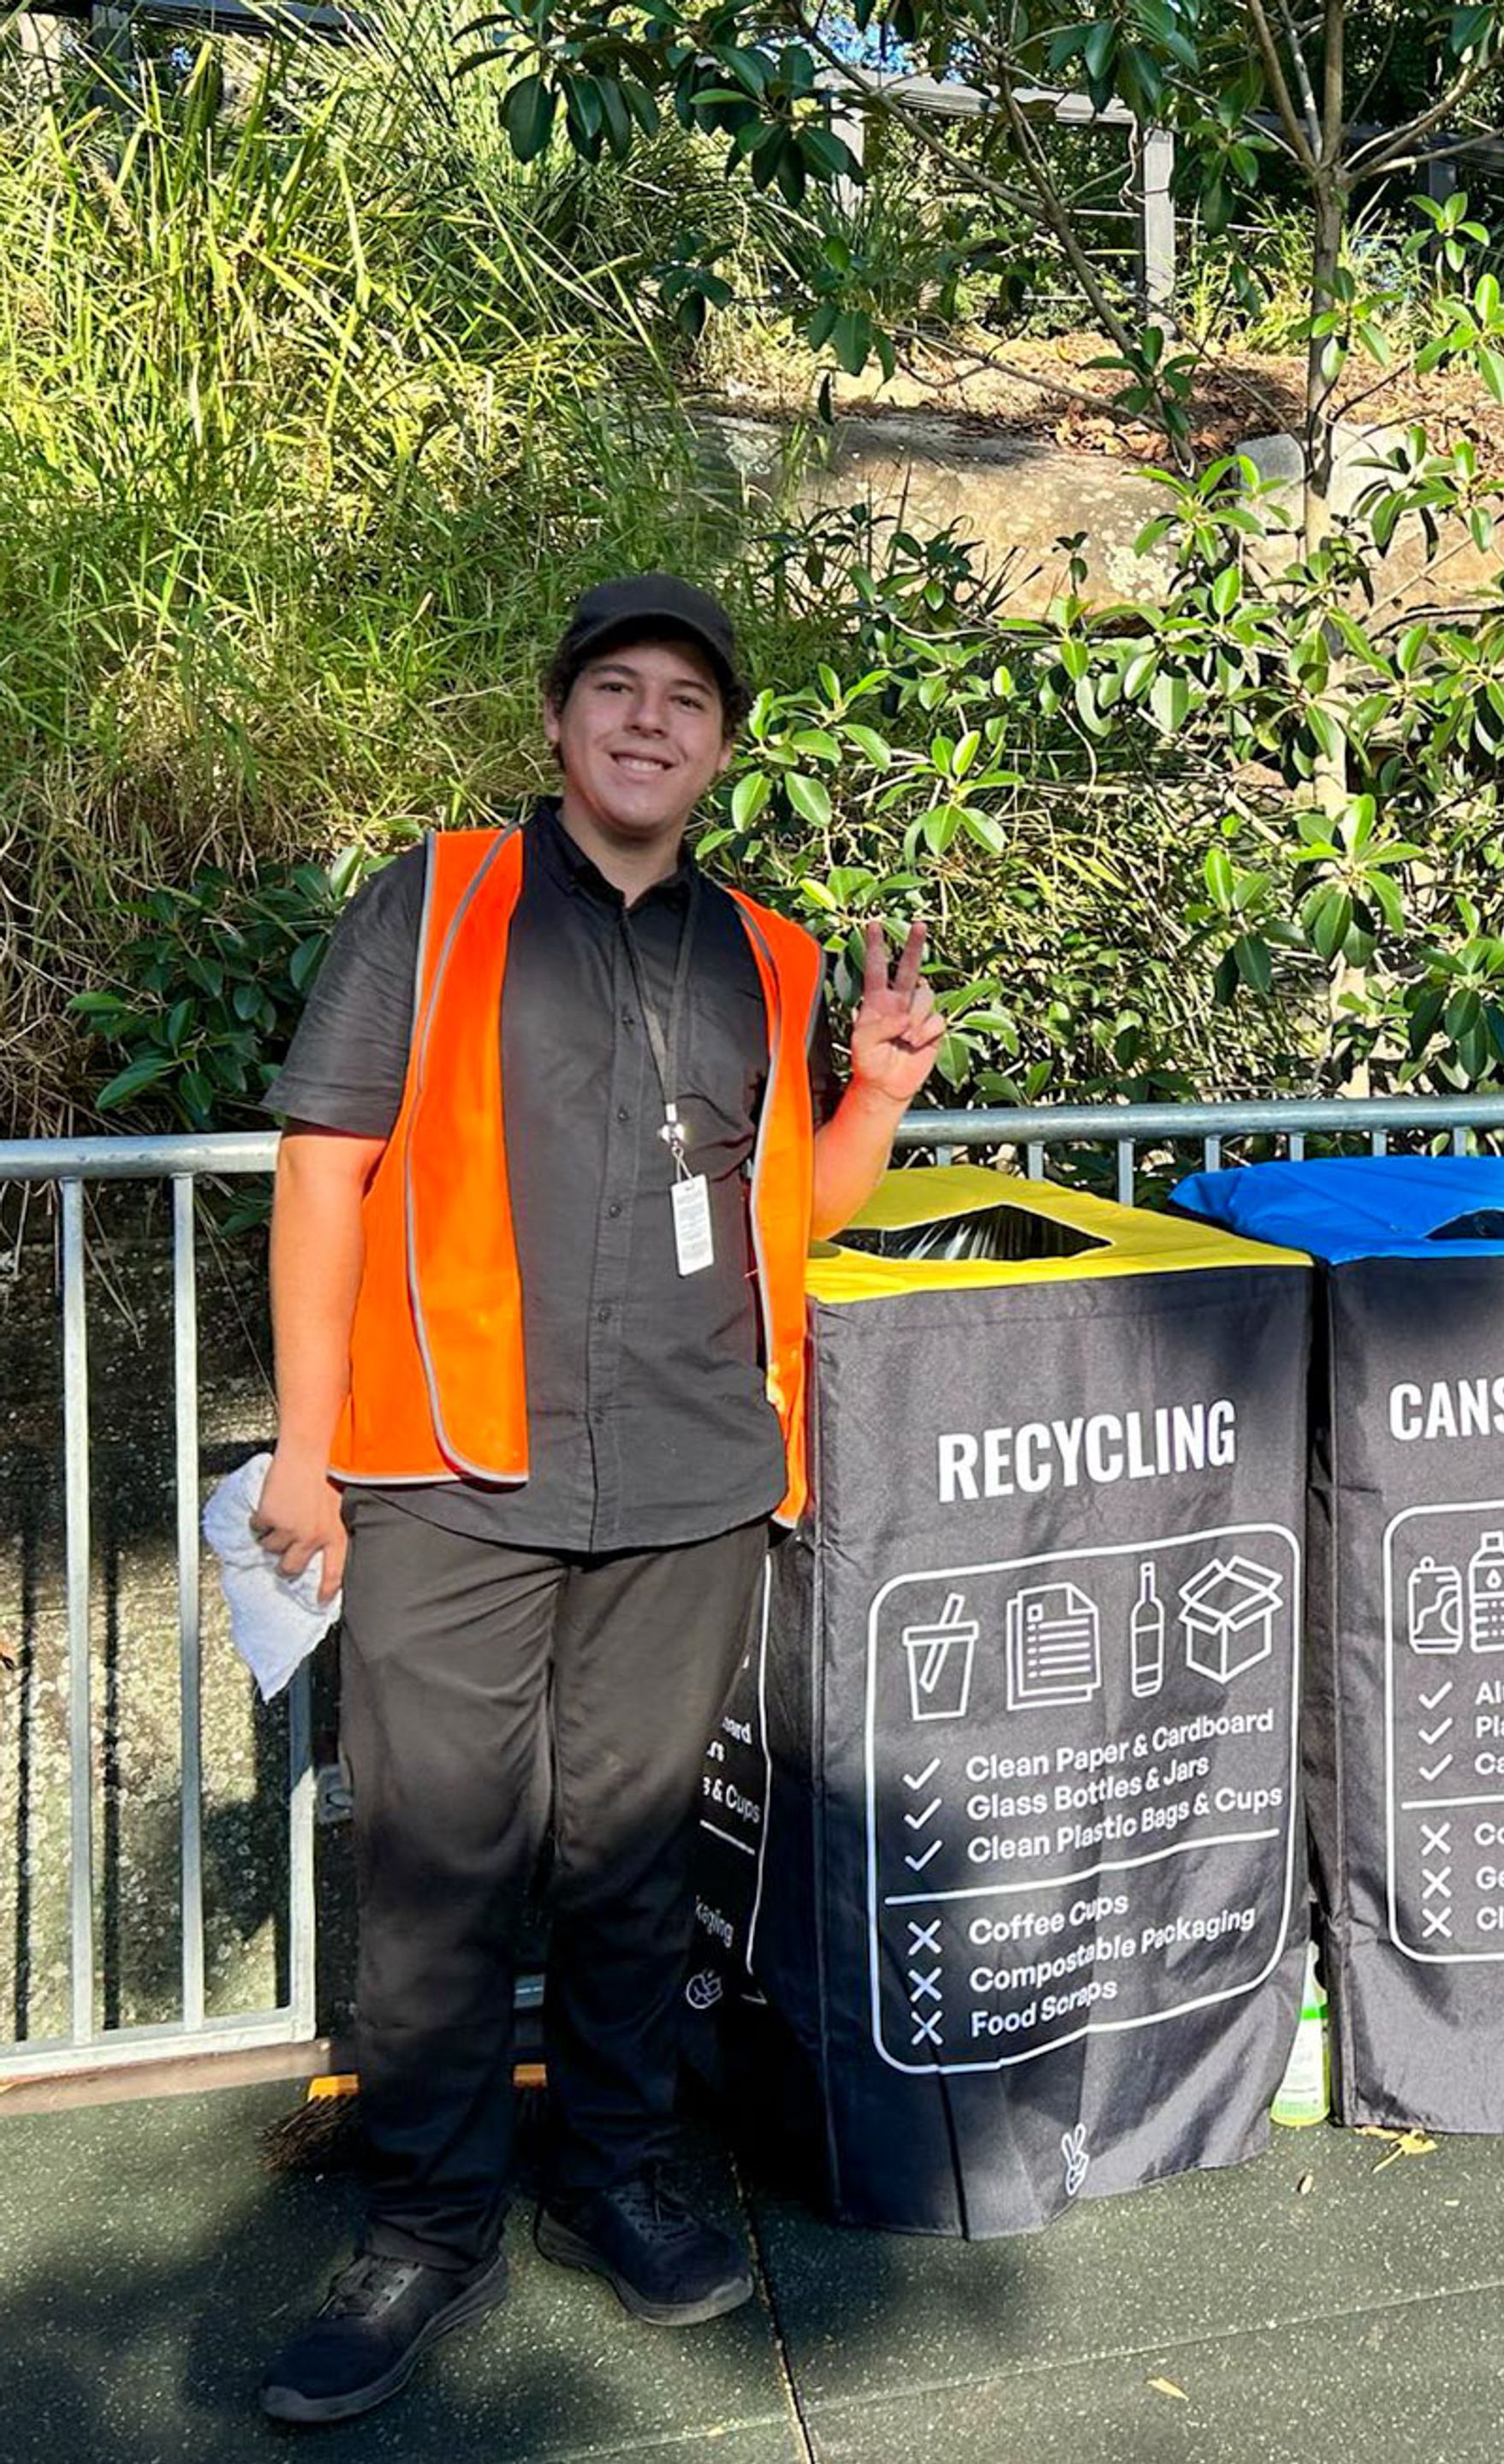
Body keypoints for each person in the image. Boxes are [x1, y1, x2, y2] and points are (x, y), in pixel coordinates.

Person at [249, 576, 951, 2425]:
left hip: (694, 1475)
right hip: (448, 1470)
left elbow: (771, 1218)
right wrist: (309, 1452)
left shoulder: (773, 959)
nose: (651, 721)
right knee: (436, 1864)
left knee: (634, 1860)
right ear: (559, 724)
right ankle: (427, 2222)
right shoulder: (435, 898)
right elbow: (324, 1175)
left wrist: (872, 1098)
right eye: (616, 690)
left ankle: (618, 2175)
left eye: (689, 701)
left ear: (723, 749)